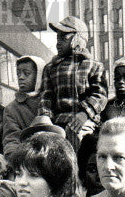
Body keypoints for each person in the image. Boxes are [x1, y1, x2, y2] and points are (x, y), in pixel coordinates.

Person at [39, 15, 108, 147]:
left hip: (85, 121)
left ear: (77, 39)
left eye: (63, 38)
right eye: (57, 38)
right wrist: (46, 118)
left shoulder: (93, 66)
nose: (58, 43)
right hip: (58, 123)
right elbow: (46, 98)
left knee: (81, 142)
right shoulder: (51, 68)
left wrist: (85, 114)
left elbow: (100, 95)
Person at [2, 55, 46, 162]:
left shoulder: (50, 101)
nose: (21, 77)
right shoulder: (12, 109)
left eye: (26, 73)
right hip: (26, 160)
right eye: (18, 74)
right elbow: (11, 139)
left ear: (39, 75)